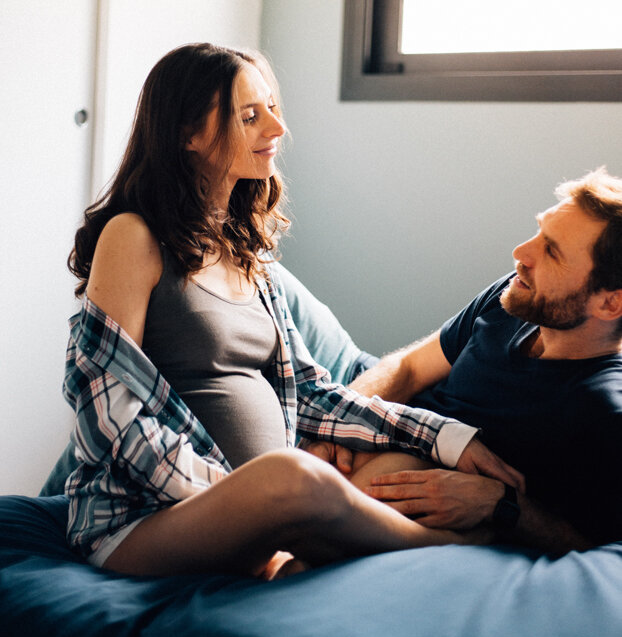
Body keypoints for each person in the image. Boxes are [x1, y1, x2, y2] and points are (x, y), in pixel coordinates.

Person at [62, 43, 518, 579]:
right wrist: (245, 497)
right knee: (294, 479)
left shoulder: (248, 255)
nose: (277, 129)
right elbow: (110, 418)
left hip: (257, 505)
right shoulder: (133, 237)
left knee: (399, 470)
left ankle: (312, 545)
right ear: (188, 134)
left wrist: (447, 438)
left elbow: (313, 395)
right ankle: (446, 543)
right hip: (143, 519)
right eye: (250, 116)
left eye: (273, 108)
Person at [308, 168, 622, 556]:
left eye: (552, 251)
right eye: (539, 231)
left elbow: (595, 548)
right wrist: (335, 428)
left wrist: (502, 504)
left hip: (395, 492)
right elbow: (408, 368)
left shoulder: (603, 411)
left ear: (610, 302)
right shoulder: (515, 298)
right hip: (381, 427)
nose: (522, 254)